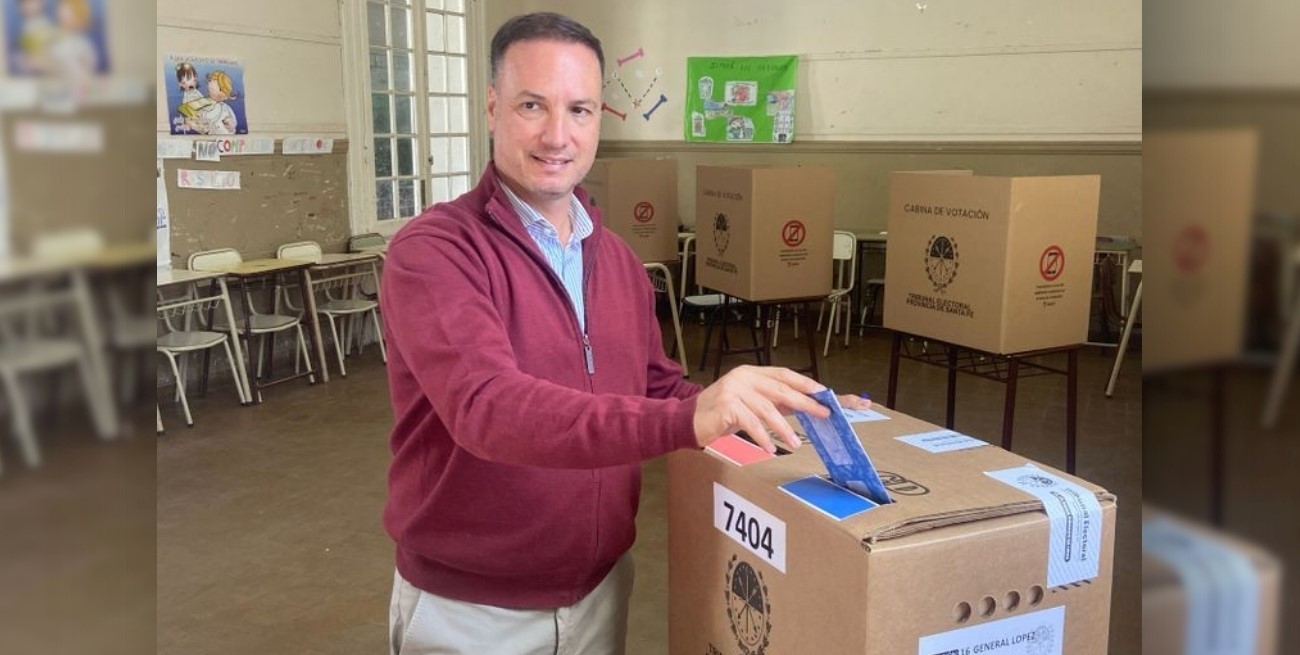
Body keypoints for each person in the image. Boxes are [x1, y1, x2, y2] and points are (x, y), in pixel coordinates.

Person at [380, 12, 869, 655]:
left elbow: (656, 387)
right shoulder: (437, 251)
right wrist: (692, 420)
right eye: (533, 105)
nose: (558, 135)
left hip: (601, 589)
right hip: (474, 609)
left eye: (580, 110)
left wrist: (772, 416)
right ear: (494, 108)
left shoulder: (613, 260)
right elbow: (486, 409)